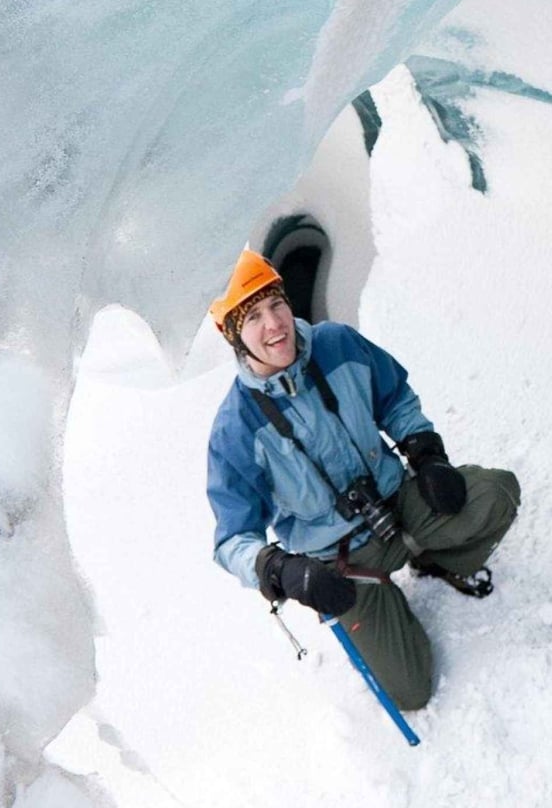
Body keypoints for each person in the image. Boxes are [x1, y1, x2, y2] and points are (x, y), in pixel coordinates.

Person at [205, 250, 521, 711]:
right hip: (342, 563)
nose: (275, 323)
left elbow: (395, 399)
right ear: (235, 336)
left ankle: (435, 560)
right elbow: (232, 538)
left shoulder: (337, 343)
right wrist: (282, 570)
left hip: (399, 505)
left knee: (496, 494)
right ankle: (383, 605)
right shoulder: (235, 429)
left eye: (276, 304)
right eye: (253, 316)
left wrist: (426, 454)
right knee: (411, 690)